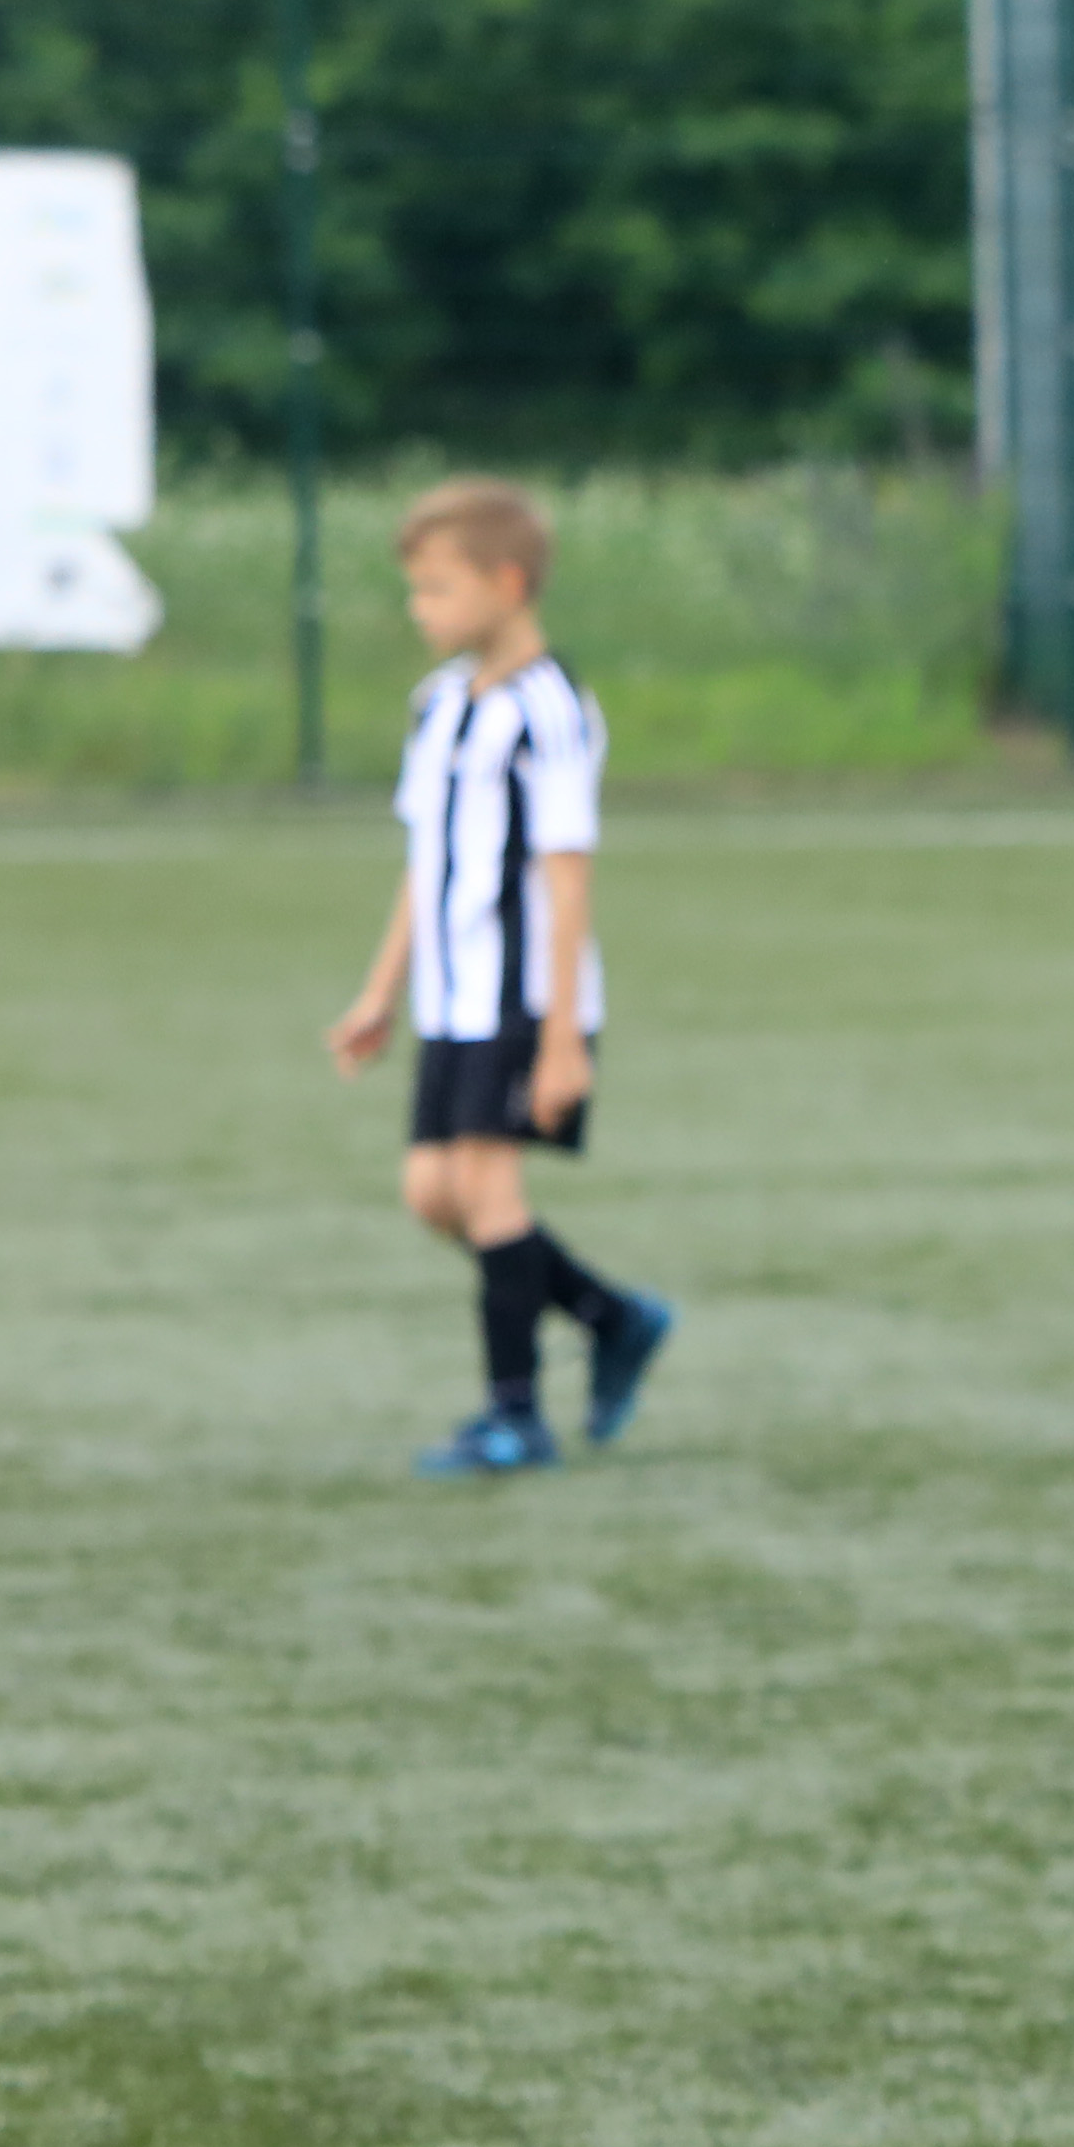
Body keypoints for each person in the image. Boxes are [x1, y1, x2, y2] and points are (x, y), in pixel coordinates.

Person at [325, 479, 675, 1477]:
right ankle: (612, 1316)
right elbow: (426, 860)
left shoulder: (549, 709)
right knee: (431, 1193)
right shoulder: (438, 704)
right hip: (450, 999)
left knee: (486, 1192)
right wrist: (381, 991)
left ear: (508, 583)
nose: (419, 609)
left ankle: (514, 1416)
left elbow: (567, 878)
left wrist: (563, 1037)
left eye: (437, 588)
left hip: (522, 1001)